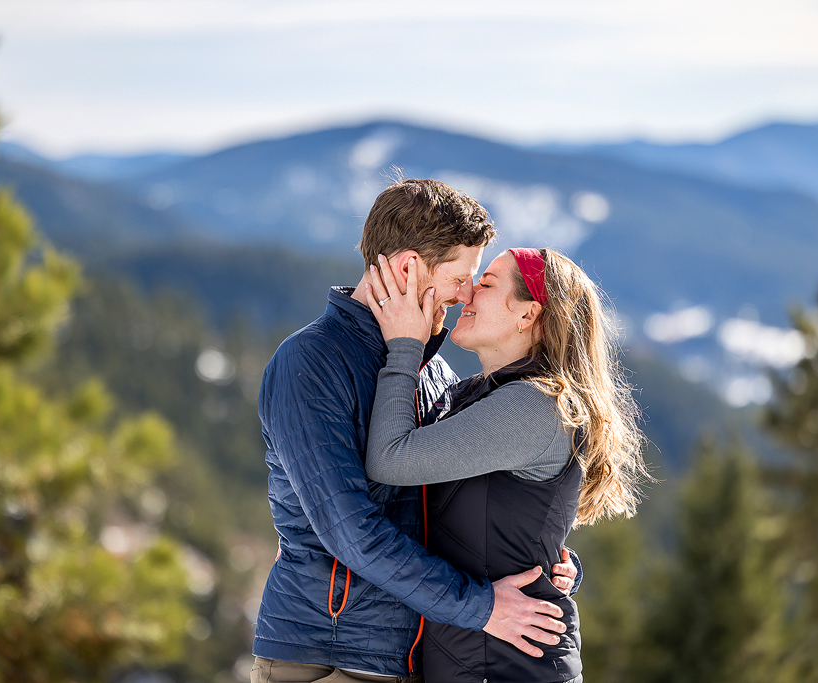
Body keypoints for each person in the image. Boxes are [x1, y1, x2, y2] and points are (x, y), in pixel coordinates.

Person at [252, 179, 581, 683]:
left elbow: (462, 505)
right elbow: (351, 532)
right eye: (462, 278)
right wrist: (481, 607)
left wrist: (548, 559)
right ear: (408, 267)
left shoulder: (430, 370)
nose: (467, 294)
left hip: (415, 653)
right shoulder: (311, 363)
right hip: (330, 652)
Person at [362, 247, 648, 682]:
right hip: (483, 662)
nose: (469, 293)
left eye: (488, 284)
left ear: (528, 315)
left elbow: (391, 459)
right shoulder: (492, 395)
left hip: (506, 667)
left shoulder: (532, 407)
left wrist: (404, 346)